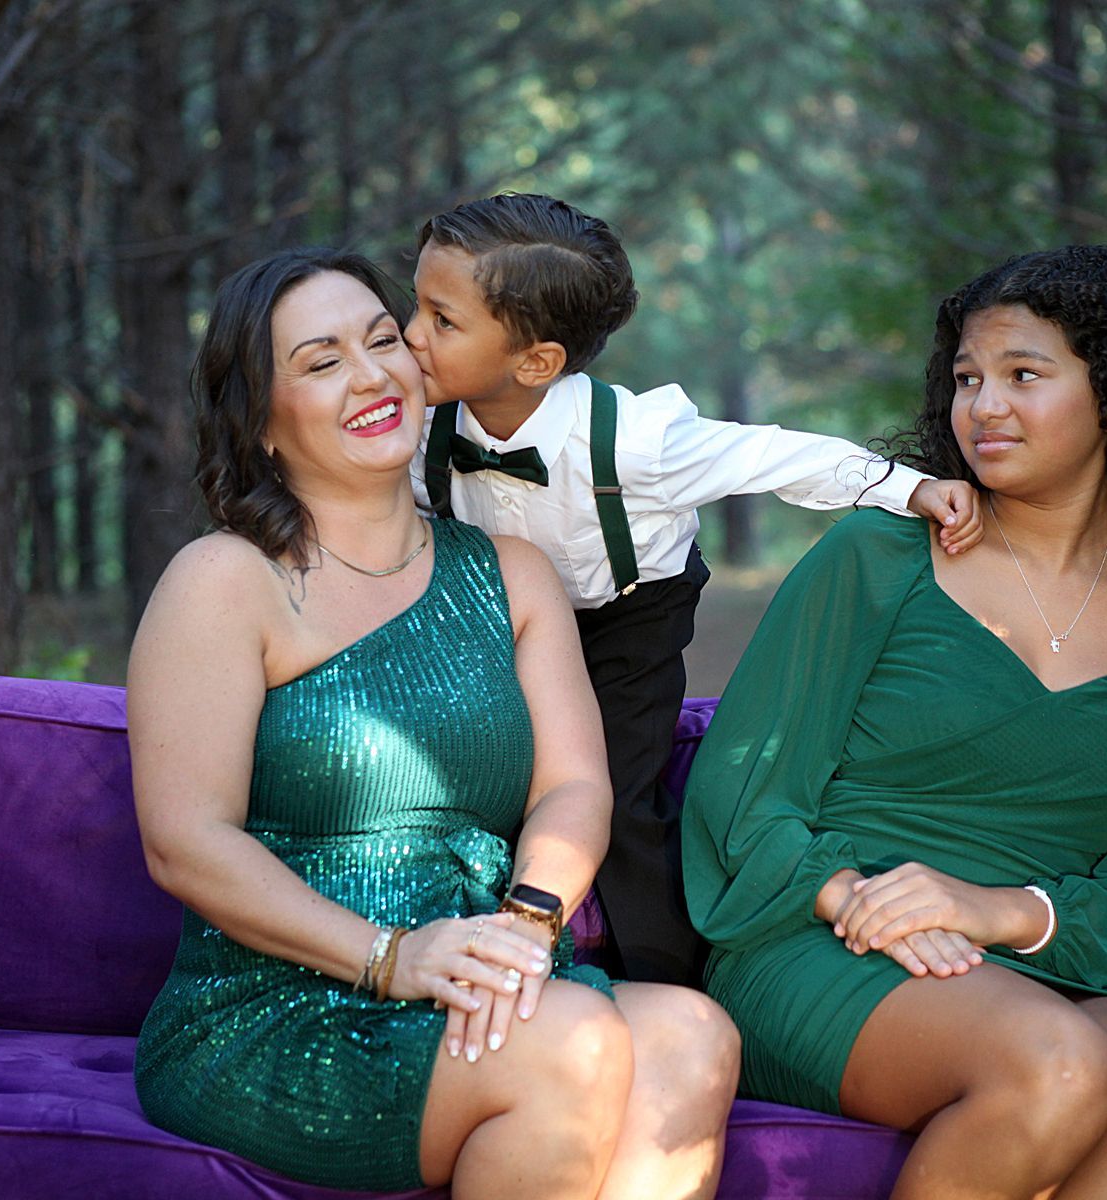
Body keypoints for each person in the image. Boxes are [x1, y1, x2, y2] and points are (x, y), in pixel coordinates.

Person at [128, 247, 738, 1198]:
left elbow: (573, 786)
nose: (372, 374)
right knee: (571, 1046)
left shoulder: (511, 572)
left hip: (476, 960)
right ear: (261, 418)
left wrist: (532, 923)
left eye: (383, 340)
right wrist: (391, 957)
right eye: (321, 361)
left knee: (693, 1037)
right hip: (283, 999)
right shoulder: (226, 580)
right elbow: (185, 842)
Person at [683, 243, 1107, 1200]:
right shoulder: (878, 557)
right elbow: (742, 804)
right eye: (966, 378)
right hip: (819, 942)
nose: (983, 407)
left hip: (1022, 970)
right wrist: (868, 901)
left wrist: (995, 911)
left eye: (1023, 375)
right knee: (1054, 1062)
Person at [405, 192, 985, 987]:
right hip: (498, 612)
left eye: (442, 320)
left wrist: (905, 488)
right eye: (417, 307)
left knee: (615, 785)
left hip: (629, 616)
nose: (409, 336)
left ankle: (660, 972)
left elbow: (778, 458)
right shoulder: (421, 430)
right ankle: (463, 932)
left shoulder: (640, 443)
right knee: (486, 763)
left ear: (535, 361)